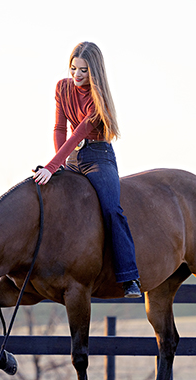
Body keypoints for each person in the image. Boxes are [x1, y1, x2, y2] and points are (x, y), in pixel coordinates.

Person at [33, 41, 141, 298]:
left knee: (111, 209)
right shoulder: (62, 88)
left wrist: (52, 166)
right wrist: (59, 163)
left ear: (94, 72)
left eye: (83, 71)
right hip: (71, 156)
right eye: (73, 69)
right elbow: (60, 130)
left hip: (98, 157)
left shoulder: (97, 99)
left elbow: (78, 133)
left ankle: (128, 278)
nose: (77, 75)